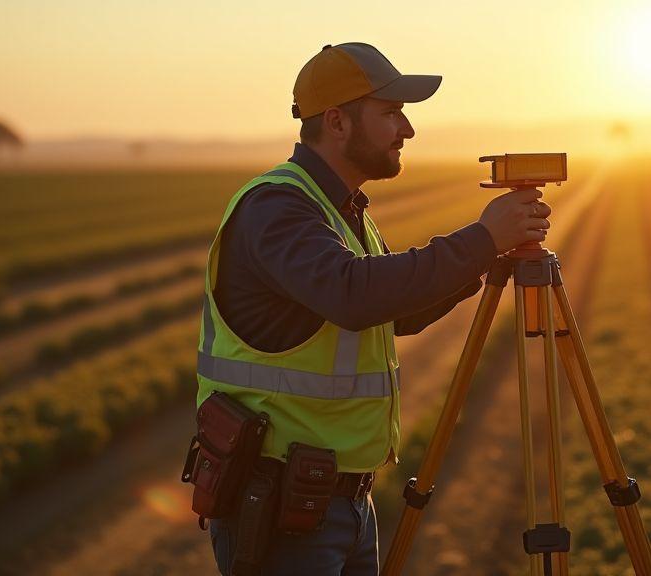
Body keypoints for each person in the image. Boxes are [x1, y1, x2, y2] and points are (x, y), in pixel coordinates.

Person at [200, 42, 551, 575]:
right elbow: (354, 294)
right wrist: (481, 239)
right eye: (390, 113)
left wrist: (484, 256)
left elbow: (399, 312)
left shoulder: (342, 211)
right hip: (282, 507)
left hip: (341, 503)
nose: (406, 129)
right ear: (337, 122)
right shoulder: (276, 207)